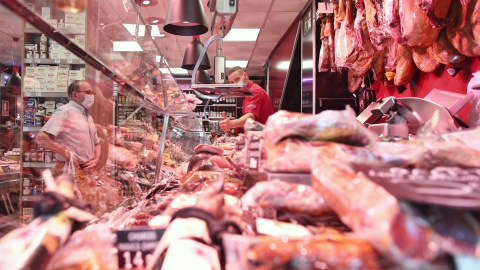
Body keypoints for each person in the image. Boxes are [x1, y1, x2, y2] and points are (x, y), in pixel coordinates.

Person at [36, 80, 101, 198]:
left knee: (88, 209)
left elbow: (97, 143)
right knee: (69, 211)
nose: (91, 96)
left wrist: (96, 160)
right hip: (70, 171)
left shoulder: (87, 115)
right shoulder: (65, 111)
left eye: (92, 93)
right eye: (88, 92)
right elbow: (42, 138)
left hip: (87, 172)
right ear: (75, 94)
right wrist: (66, 153)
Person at [219, 66, 273, 132]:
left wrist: (231, 124)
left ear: (245, 75)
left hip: (262, 136)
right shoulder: (246, 93)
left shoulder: (254, 91)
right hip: (257, 134)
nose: (235, 84)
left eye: (237, 79)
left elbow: (250, 117)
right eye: (232, 82)